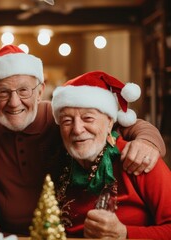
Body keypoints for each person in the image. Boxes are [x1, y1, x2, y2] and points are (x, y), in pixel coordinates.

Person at [0, 44, 167, 235]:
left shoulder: (59, 117)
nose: (14, 102)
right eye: (2, 93)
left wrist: (147, 142)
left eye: (24, 90)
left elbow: (128, 124)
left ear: (40, 91)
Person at [51, 70, 171, 239]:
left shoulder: (138, 158)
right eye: (67, 121)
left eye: (88, 118)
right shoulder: (58, 163)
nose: (77, 129)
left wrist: (126, 234)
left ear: (109, 122)